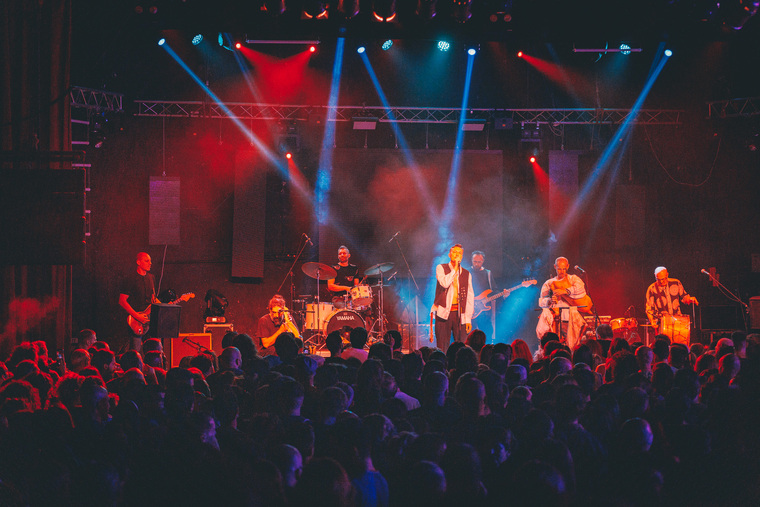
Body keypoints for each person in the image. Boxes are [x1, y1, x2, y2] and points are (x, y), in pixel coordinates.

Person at [536, 256, 588, 351]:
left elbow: (581, 288)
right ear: (555, 267)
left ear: (568, 266)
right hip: (554, 320)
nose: (562, 271)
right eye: (559, 269)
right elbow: (541, 301)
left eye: (564, 269)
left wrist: (565, 291)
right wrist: (549, 301)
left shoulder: (573, 279)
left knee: (571, 345)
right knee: (555, 346)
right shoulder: (549, 283)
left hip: (569, 319)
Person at [431, 244, 474, 352]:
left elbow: (469, 297)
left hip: (460, 315)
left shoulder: (466, 274)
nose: (457, 254)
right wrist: (454, 269)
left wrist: (468, 319)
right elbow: (445, 283)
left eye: (459, 253)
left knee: (461, 348)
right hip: (443, 313)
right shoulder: (441, 268)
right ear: (449, 254)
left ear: (462, 256)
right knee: (442, 347)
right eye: (454, 252)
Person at [119, 252, 157, 351]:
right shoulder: (130, 278)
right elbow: (122, 301)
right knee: (135, 351)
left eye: (150, 261)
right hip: (136, 321)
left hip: (149, 321)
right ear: (138, 262)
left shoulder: (151, 278)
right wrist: (137, 316)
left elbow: (153, 299)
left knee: (152, 350)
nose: (150, 263)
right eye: (147, 261)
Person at [470, 250, 495, 342]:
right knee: (470, 335)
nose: (476, 264)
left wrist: (504, 294)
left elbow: (494, 290)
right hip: (470, 308)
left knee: (486, 333)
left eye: (479, 262)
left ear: (483, 261)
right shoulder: (466, 272)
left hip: (484, 310)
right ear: (471, 260)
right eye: (474, 261)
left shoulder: (488, 273)